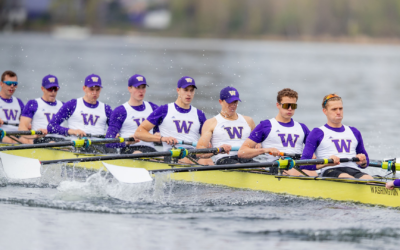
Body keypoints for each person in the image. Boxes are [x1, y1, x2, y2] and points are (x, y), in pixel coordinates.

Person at [237, 88, 316, 176]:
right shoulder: (266, 126)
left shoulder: (302, 127)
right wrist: (265, 150)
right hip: (276, 165)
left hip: (297, 164)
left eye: (293, 106)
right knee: (302, 174)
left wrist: (312, 154)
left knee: (313, 173)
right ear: (278, 105)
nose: (290, 109)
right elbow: (242, 152)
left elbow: (316, 150)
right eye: (286, 105)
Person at [134, 76, 212, 164]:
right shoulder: (164, 110)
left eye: (191, 90)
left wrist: (208, 143)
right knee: (187, 160)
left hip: (193, 153)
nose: (189, 94)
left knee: (208, 161)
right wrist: (162, 139)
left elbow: (207, 140)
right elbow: (139, 133)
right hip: (173, 153)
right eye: (186, 90)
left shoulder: (199, 114)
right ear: (178, 90)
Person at [299, 94, 373, 179]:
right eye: (334, 109)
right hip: (330, 171)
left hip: (353, 170)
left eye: (340, 109)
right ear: (325, 111)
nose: (338, 112)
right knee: (348, 179)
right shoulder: (317, 132)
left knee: (369, 179)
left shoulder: (354, 132)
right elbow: (303, 164)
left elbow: (365, 163)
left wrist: (362, 161)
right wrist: (327, 163)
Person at [47, 74, 112, 152]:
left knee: (112, 148)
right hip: (78, 146)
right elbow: (51, 126)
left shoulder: (106, 109)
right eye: (91, 89)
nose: (94, 92)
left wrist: (115, 133)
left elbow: (114, 128)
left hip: (99, 147)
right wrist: (73, 131)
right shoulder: (72, 104)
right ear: (84, 88)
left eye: (97, 89)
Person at [196, 86, 257, 165]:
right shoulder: (211, 123)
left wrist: (258, 145)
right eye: (229, 102)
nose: (233, 105)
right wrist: (218, 149)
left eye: (235, 102)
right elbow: (199, 152)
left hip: (246, 158)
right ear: (220, 102)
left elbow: (258, 143)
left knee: (261, 169)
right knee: (239, 166)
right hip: (224, 158)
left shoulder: (249, 121)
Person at [106, 74, 158, 153]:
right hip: (129, 149)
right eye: (137, 87)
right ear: (129, 88)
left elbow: (160, 131)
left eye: (143, 87)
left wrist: (159, 136)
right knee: (139, 154)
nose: (141, 91)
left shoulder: (153, 108)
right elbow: (108, 142)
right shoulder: (120, 111)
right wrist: (127, 142)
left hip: (150, 149)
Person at [19, 75, 64, 144]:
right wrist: (35, 135)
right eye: (50, 89)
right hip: (41, 138)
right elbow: (22, 129)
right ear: (42, 89)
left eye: (55, 89)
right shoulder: (33, 104)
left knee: (73, 147)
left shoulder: (63, 105)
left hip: (61, 140)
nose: (53, 92)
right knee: (53, 143)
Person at [0, 70, 25, 143]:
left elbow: (25, 122)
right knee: (12, 140)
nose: (12, 86)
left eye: (15, 84)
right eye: (9, 83)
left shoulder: (19, 102)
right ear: (1, 84)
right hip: (2, 134)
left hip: (17, 134)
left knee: (28, 140)